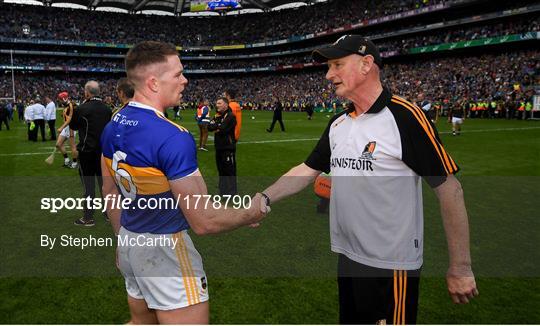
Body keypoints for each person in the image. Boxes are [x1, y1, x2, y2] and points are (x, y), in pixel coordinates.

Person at [259, 35, 478, 324]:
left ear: (366, 64)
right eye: (328, 67)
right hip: (348, 257)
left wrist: (460, 268)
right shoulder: (338, 123)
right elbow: (307, 170)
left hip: (390, 267)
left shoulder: (404, 117)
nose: (329, 75)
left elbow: (450, 190)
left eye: (337, 64)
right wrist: (264, 197)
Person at [100, 41, 266, 325]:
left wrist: (122, 240)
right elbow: (203, 220)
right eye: (177, 74)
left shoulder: (114, 123)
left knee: (142, 322)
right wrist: (250, 212)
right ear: (153, 83)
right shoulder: (172, 136)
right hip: (164, 248)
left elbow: (110, 191)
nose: (185, 80)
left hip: (130, 239)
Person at [69, 80, 112, 226]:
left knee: (88, 187)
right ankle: (109, 214)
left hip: (87, 152)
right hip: (103, 153)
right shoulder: (107, 109)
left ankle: (88, 218)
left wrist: (72, 112)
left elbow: (73, 126)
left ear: (87, 92)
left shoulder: (82, 108)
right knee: (104, 185)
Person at [208, 97, 237, 196]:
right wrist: (218, 125)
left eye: (219, 103)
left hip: (228, 148)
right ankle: (223, 192)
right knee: (221, 171)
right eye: (217, 103)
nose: (217, 105)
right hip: (219, 147)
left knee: (229, 171)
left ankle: (232, 193)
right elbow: (209, 127)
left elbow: (223, 129)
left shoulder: (231, 116)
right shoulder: (217, 115)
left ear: (225, 104)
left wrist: (217, 126)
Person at [56, 92, 78, 168]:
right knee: (58, 144)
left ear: (64, 99)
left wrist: (61, 127)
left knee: (72, 146)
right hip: (66, 127)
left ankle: (75, 163)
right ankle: (67, 160)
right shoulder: (66, 105)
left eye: (60, 99)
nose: (59, 101)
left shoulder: (71, 105)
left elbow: (69, 119)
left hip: (71, 127)